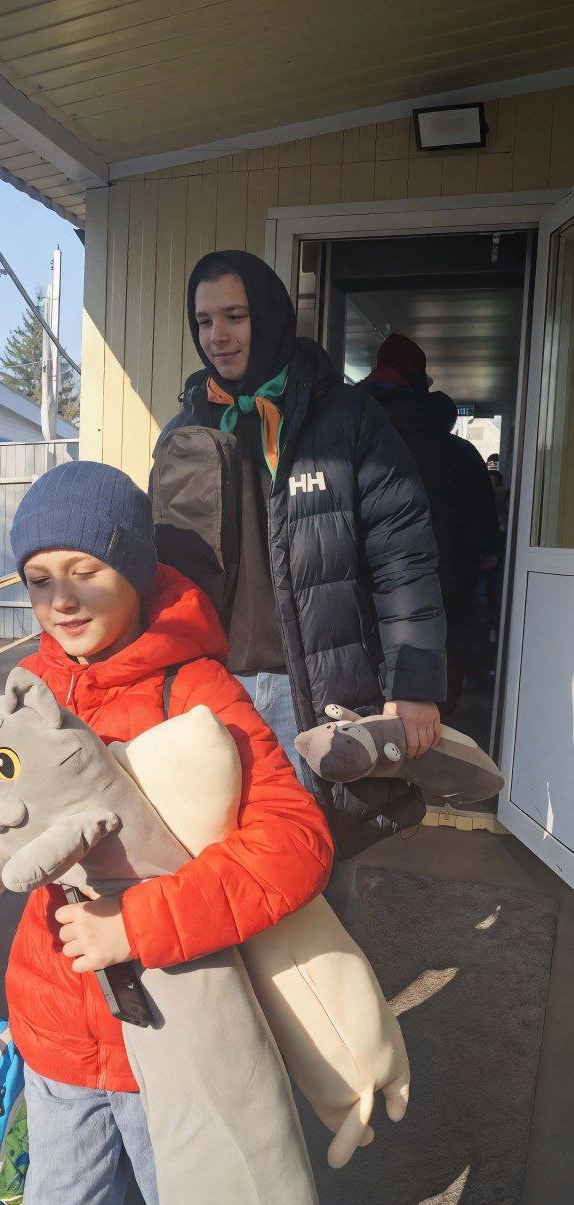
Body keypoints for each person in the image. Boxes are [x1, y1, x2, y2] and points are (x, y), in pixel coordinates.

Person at [0, 461, 335, 1205]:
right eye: (40, 580)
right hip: (53, 1029)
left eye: (85, 571)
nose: (61, 601)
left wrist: (138, 923)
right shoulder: (37, 680)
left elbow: (295, 841)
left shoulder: (195, 690)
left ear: (134, 570)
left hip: (162, 1037)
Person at [151, 251, 447, 859]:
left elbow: (404, 556)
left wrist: (414, 682)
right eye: (204, 321)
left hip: (312, 688)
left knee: (320, 859)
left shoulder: (344, 417)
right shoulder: (186, 431)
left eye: (234, 316)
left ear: (269, 315)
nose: (217, 335)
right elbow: (162, 571)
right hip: (213, 689)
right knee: (219, 857)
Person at [361, 333, 500, 711]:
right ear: (419, 382)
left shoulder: (342, 433)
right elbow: (485, 538)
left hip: (360, 596)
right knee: (433, 712)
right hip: (444, 592)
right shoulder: (459, 453)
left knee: (362, 715)